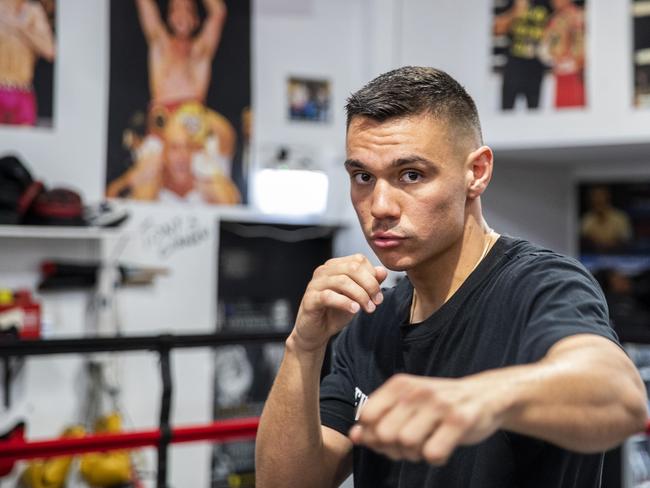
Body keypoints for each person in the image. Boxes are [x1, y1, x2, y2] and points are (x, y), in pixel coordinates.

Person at [255, 66, 648, 488]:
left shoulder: (539, 282)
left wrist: (482, 397)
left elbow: (620, 398)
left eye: (411, 175)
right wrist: (304, 345)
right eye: (363, 177)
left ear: (476, 173)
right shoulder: (371, 319)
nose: (380, 205)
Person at [110, 0, 238, 203]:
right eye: (175, 11)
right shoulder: (160, 44)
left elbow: (218, 11)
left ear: (196, 20)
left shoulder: (200, 51)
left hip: (195, 137)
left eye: (187, 11)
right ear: (168, 17)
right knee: (143, 188)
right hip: (160, 133)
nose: (181, 16)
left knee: (221, 193)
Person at [0, 0, 55, 126]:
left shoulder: (32, 11)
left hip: (22, 88)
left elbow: (50, 51)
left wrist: (19, 27)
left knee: (25, 143)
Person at [493, 0, 549, 110]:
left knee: (534, 112)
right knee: (506, 110)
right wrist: (515, 12)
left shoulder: (545, 3)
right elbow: (497, 30)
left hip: (536, 67)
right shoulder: (512, 3)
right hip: (514, 66)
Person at [540, 0, 586, 108]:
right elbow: (546, 51)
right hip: (561, 77)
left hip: (579, 78)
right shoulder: (554, 19)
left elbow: (583, 53)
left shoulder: (582, 17)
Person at [580, 186, 632, 253]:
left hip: (617, 255)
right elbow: (583, 239)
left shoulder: (620, 217)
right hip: (593, 255)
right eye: (595, 197)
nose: (598, 199)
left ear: (608, 198)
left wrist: (611, 244)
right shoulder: (587, 219)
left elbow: (626, 240)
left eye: (601, 196)